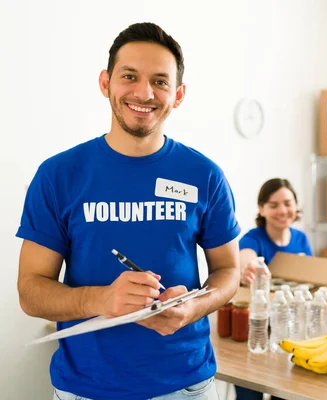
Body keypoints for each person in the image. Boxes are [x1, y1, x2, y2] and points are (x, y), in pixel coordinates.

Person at [16, 22, 241, 400]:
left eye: (160, 81)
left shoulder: (204, 175)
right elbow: (30, 291)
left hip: (186, 385)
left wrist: (192, 307)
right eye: (129, 76)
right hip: (86, 388)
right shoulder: (58, 175)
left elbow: (229, 270)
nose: (144, 93)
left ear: (179, 94)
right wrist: (100, 300)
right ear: (106, 83)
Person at [236, 178, 312, 400]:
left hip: (291, 331)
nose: (282, 210)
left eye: (288, 203)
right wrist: (248, 266)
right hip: (257, 331)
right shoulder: (254, 238)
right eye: (274, 205)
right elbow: (245, 256)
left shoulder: (301, 239)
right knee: (250, 394)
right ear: (261, 209)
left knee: (286, 390)